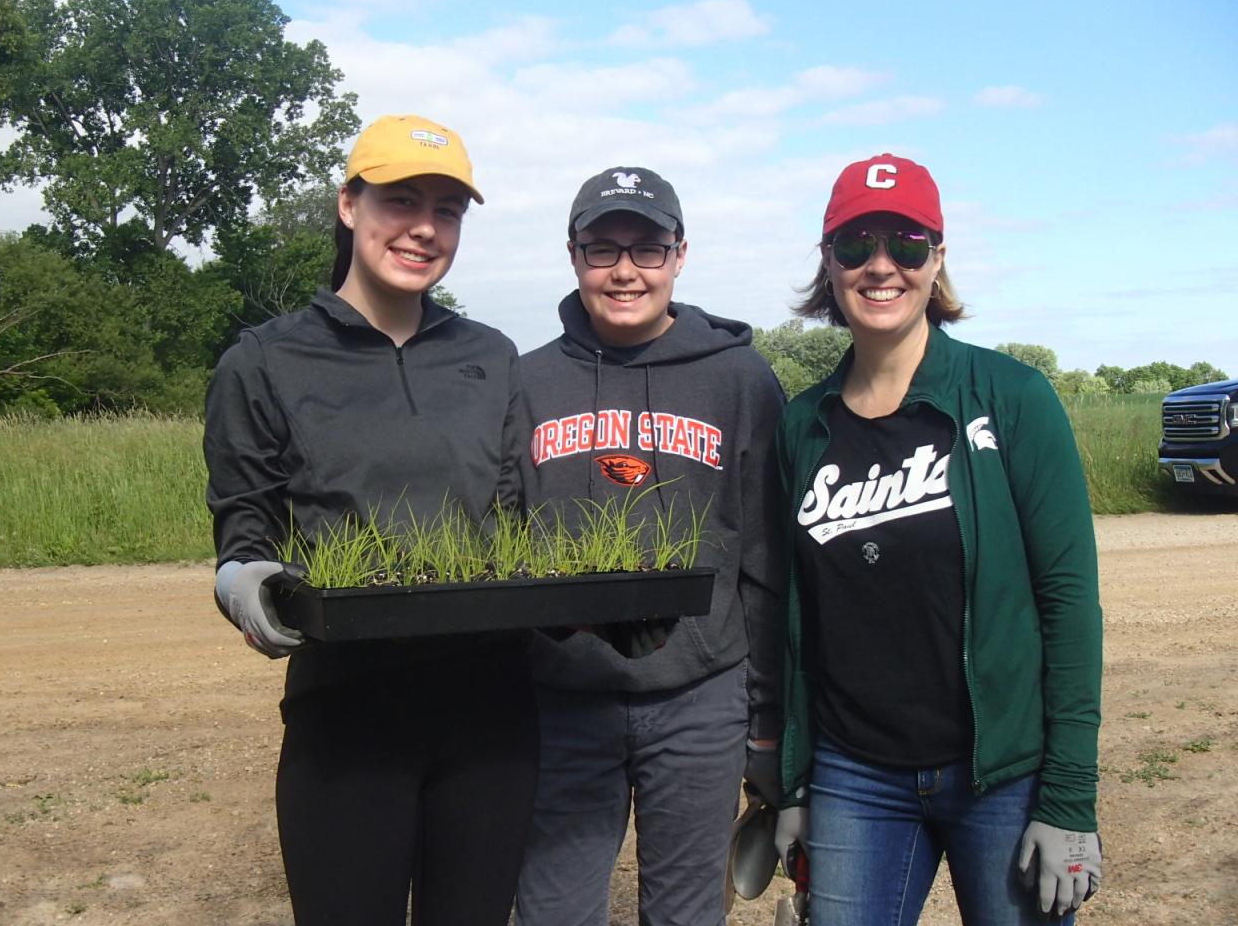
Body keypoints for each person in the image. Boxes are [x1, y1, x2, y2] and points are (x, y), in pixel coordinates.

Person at [202, 114, 537, 926]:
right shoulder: (265, 361)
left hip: (490, 715)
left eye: (448, 209)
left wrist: (607, 618)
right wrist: (244, 583)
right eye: (402, 200)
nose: (425, 227)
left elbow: (519, 533)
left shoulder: (489, 356)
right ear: (349, 205)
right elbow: (243, 526)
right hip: (346, 714)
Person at [772, 153, 1103, 925]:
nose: (880, 266)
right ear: (828, 262)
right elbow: (790, 621)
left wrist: (1069, 798)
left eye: (906, 244)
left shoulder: (1012, 398)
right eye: (856, 246)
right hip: (855, 775)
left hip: (1004, 777)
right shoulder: (802, 425)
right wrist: (790, 783)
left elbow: (1070, 605)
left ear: (938, 258)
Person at [513, 166, 787, 926]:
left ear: (680, 254)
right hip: (561, 702)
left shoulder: (740, 380)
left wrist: (767, 723)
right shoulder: (526, 383)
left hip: (700, 701)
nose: (626, 270)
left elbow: (765, 564)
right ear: (573, 256)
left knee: (686, 913)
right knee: (552, 911)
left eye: (648, 248)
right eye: (603, 249)